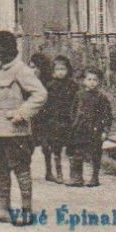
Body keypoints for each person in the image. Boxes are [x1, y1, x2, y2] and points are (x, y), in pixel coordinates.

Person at [0, 31, 45, 226]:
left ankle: (27, 210)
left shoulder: (21, 70)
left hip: (15, 131)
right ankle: (4, 209)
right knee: (0, 169)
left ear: (7, 50)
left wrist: (22, 113)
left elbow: (40, 94)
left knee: (21, 169)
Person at [66, 67, 113, 187]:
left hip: (95, 129)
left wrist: (105, 130)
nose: (92, 82)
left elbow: (107, 115)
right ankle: (78, 178)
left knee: (95, 153)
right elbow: (73, 111)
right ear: (84, 81)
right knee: (78, 153)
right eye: (89, 79)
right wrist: (73, 124)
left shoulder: (101, 97)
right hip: (80, 129)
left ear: (99, 82)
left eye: (95, 80)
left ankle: (94, 178)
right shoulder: (79, 95)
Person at [38, 55, 77, 184]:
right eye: (58, 69)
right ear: (53, 71)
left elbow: (76, 102)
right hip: (54, 120)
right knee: (56, 147)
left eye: (63, 69)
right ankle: (58, 173)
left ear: (68, 70)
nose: (61, 72)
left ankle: (73, 174)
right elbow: (45, 104)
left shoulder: (73, 85)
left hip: (68, 120)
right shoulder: (50, 86)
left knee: (71, 146)